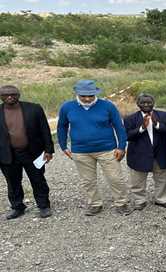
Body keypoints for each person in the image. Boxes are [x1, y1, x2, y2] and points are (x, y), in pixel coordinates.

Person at [57, 80, 130, 216]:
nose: (87, 98)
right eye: (83, 95)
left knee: (115, 178)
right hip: (80, 151)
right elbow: (62, 126)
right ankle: (94, 204)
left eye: (90, 95)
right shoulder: (67, 107)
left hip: (107, 149)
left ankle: (121, 203)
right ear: (77, 93)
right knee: (88, 181)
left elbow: (119, 127)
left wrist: (121, 146)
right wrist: (63, 145)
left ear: (95, 93)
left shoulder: (108, 106)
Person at [0, 85, 54, 219]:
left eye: (13, 94)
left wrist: (49, 150)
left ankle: (43, 206)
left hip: (33, 152)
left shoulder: (34, 108)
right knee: (12, 182)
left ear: (19, 95)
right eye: (6, 95)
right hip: (7, 154)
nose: (10, 97)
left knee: (38, 179)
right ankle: (17, 207)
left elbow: (45, 130)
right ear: (1, 97)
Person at [124, 93, 166, 211]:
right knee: (137, 181)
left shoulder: (165, 115)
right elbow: (127, 136)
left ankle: (162, 199)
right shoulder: (130, 118)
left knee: (162, 178)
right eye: (143, 103)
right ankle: (139, 201)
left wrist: (157, 125)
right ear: (138, 104)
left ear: (153, 103)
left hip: (160, 153)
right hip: (138, 154)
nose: (146, 105)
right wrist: (142, 128)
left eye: (149, 102)